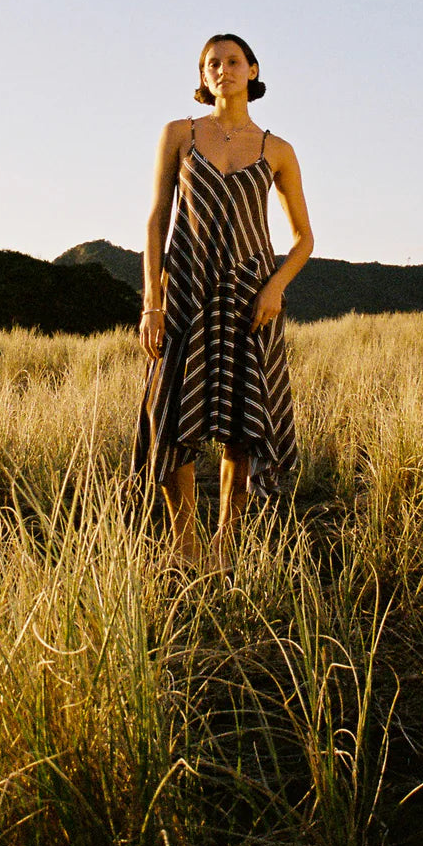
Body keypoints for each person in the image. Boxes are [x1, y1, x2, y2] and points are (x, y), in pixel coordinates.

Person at [132, 34, 314, 567]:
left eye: (233, 61)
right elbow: (156, 220)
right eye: (213, 63)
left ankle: (225, 543)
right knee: (170, 414)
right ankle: (183, 543)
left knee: (240, 423)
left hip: (249, 296)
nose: (223, 69)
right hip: (185, 290)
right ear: (202, 75)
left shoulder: (276, 150)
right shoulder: (178, 134)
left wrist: (275, 288)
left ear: (253, 70)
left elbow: (305, 239)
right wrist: (152, 301)